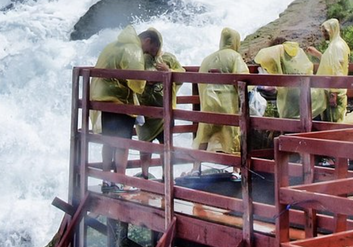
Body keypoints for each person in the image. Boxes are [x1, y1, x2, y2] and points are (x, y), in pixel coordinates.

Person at [90, 26, 161, 192]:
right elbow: (137, 82)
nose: (147, 55)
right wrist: (146, 83)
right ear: (147, 41)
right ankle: (121, 180)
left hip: (103, 98)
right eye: (150, 51)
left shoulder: (113, 45)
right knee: (123, 143)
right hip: (120, 99)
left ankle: (107, 180)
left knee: (108, 141)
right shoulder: (133, 49)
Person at [192, 27, 250, 176]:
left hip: (208, 104)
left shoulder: (207, 59)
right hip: (227, 105)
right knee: (232, 135)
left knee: (203, 135)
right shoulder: (235, 57)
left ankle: (195, 168)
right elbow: (243, 79)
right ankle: (236, 170)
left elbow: (200, 83)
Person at [136, 34, 184, 179]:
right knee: (145, 145)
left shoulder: (168, 58)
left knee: (165, 146)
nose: (153, 50)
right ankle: (144, 174)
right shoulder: (139, 59)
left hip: (164, 111)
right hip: (145, 111)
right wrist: (146, 81)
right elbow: (133, 78)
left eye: (156, 47)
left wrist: (168, 71)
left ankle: (166, 176)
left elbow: (182, 74)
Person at [254, 37, 326, 119]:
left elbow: (263, 56)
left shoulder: (280, 60)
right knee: (315, 128)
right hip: (315, 101)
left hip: (294, 105)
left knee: (292, 125)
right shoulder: (299, 56)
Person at [308, 19, 350, 122]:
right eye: (323, 31)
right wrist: (317, 54)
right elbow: (330, 63)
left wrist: (333, 93)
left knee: (334, 121)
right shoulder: (337, 44)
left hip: (335, 91)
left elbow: (337, 70)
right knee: (334, 119)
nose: (324, 34)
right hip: (335, 89)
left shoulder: (336, 47)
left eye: (325, 31)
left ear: (332, 30)